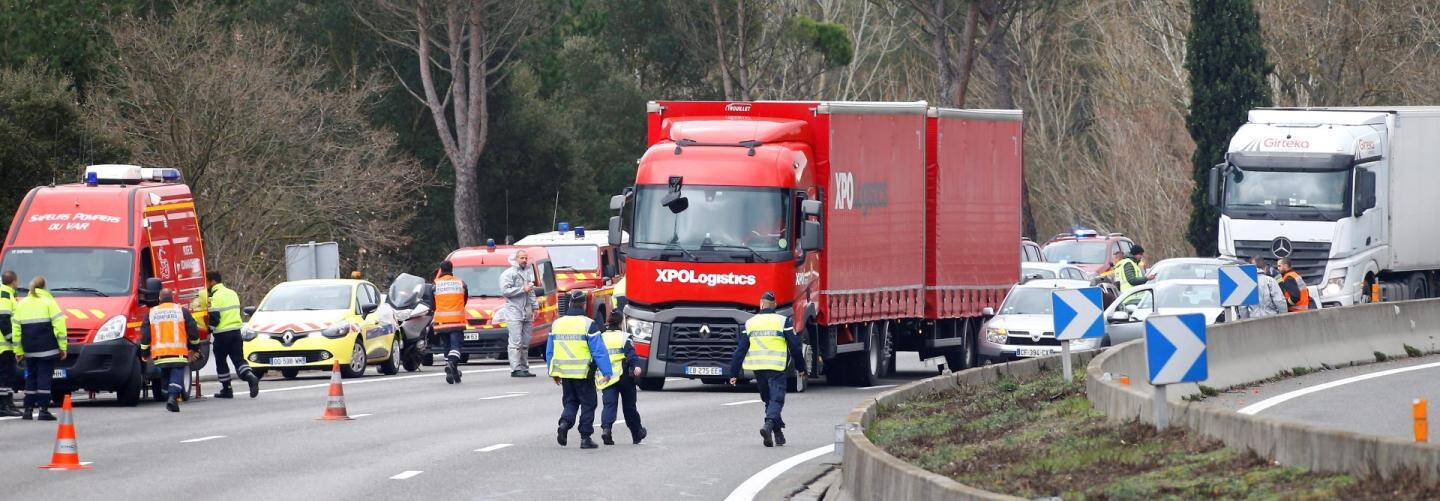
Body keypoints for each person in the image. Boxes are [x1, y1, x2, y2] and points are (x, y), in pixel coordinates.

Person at [730, 291, 806, 447]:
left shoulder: (750, 323)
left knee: (768, 400)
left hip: (758, 367)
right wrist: (801, 367)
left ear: (761, 304)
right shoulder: (782, 321)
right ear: (775, 305)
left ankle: (777, 435)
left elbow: (740, 350)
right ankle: (769, 424)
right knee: (776, 399)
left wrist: (734, 372)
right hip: (776, 367)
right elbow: (795, 347)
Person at [546, 296, 613, 449]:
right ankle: (585, 437)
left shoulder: (557, 324)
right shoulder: (588, 324)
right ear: (583, 305)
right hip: (583, 372)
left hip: (564, 373)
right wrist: (606, 371)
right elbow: (599, 351)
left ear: (569, 304)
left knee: (571, 401)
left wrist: (553, 372)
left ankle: (564, 424)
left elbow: (550, 351)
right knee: (588, 403)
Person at [140, 288, 201, 412]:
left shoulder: (151, 313)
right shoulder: (181, 311)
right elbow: (193, 331)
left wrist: (144, 352)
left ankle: (167, 395)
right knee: (177, 373)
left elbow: (145, 335)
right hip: (178, 353)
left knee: (166, 375)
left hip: (160, 355)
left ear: (159, 299)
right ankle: (172, 397)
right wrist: (195, 347)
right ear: (172, 298)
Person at [13, 276, 66, 420]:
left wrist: (18, 351)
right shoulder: (49, 303)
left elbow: (16, 331)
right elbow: (60, 327)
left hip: (29, 349)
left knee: (31, 377)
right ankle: (43, 409)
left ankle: (28, 410)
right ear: (44, 287)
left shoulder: (21, 304)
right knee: (44, 377)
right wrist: (63, 347)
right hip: (47, 348)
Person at [206, 271, 259, 398]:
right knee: (238, 360)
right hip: (236, 332)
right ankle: (250, 377)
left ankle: (227, 389)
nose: (205, 285)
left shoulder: (214, 297)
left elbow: (215, 318)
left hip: (222, 334)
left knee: (221, 361)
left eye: (206, 281)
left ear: (212, 281)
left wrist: (208, 330)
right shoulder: (232, 293)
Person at [597, 309, 646, 445]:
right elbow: (631, 354)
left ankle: (606, 430)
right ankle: (637, 433)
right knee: (629, 407)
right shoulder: (624, 337)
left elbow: (596, 355)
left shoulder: (601, 337)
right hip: (624, 376)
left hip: (607, 377)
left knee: (609, 405)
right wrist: (636, 366)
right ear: (620, 323)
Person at [500, 250, 538, 378]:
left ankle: (524, 367)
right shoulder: (509, 273)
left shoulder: (527, 273)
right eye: (522, 258)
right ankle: (516, 368)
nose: (524, 260)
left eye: (526, 258)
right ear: (516, 259)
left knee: (525, 342)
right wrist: (522, 289)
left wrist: (535, 307)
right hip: (514, 311)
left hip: (526, 312)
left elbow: (531, 291)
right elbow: (505, 290)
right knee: (515, 342)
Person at [432, 261, 468, 384]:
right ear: (452, 269)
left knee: (447, 345)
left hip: (442, 322)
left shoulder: (436, 284)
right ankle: (451, 363)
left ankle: (451, 371)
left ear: (441, 270)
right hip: (457, 321)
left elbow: (433, 304)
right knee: (456, 346)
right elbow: (465, 300)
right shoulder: (460, 283)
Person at [0, 271, 20, 417]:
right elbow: (4, 318)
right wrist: (11, 338)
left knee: (8, 376)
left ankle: (8, 403)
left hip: (5, 345)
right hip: (4, 346)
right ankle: (4, 405)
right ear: (13, 281)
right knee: (5, 377)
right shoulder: (5, 295)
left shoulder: (8, 294)